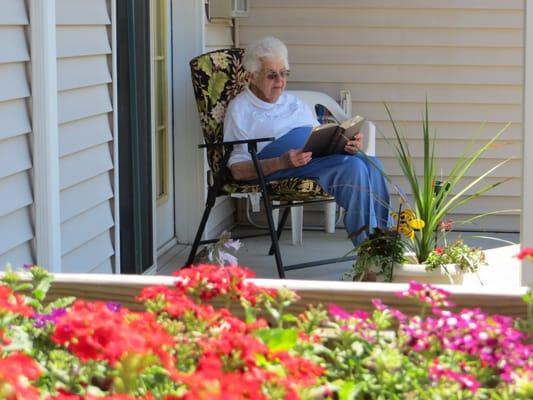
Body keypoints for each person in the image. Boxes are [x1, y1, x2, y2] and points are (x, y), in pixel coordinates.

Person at [223, 36, 391, 246]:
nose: (280, 82)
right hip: (278, 166)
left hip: (312, 159)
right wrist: (280, 162)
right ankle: (370, 253)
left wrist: (344, 145)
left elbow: (318, 135)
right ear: (252, 76)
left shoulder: (294, 102)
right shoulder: (240, 109)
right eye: (272, 75)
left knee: (372, 163)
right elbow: (237, 170)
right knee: (353, 169)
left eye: (284, 73)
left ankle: (386, 245)